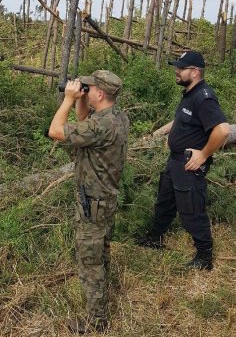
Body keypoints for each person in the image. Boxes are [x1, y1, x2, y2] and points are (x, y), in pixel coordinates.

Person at [49, 70, 129, 334]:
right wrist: (82, 98)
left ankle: (96, 321)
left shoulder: (101, 125)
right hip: (105, 199)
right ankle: (103, 298)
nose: (88, 89)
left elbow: (56, 131)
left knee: (90, 262)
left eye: (91, 88)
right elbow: (84, 121)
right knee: (100, 252)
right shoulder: (116, 116)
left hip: (93, 203)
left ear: (101, 93)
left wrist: (68, 99)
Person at [136, 51, 230, 270]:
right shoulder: (190, 93)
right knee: (165, 202)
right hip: (174, 161)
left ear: (195, 72)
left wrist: (204, 154)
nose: (176, 71)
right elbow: (181, 120)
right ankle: (155, 238)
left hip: (189, 165)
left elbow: (223, 130)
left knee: (192, 210)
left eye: (181, 68)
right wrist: (160, 136)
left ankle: (204, 257)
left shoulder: (204, 96)